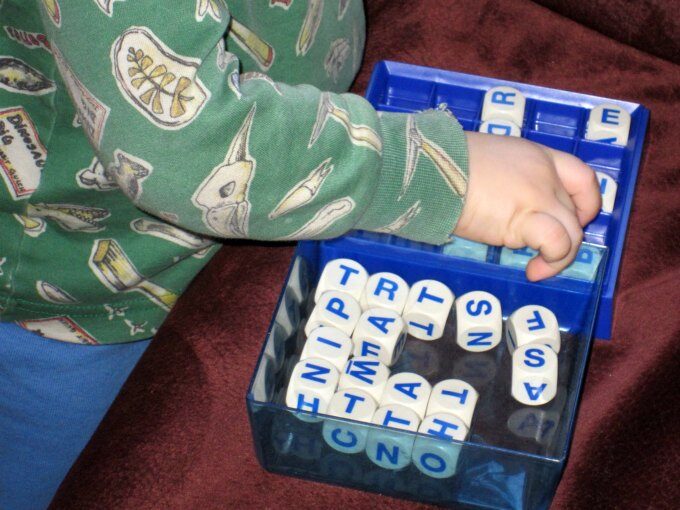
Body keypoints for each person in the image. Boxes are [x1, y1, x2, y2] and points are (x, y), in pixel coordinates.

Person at [0, 1, 600, 508]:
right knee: (65, 467)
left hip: (260, 178)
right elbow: (191, 150)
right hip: (86, 292)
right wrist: (438, 176)